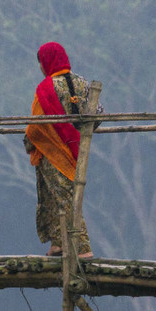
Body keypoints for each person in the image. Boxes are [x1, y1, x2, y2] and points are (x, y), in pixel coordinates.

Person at [22, 41, 98, 258]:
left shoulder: (46, 88)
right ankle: (58, 244)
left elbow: (36, 125)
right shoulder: (83, 83)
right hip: (76, 150)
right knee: (58, 196)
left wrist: (29, 142)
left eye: (40, 63)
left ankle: (82, 249)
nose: (40, 68)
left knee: (62, 198)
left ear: (46, 61)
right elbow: (97, 113)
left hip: (53, 152)